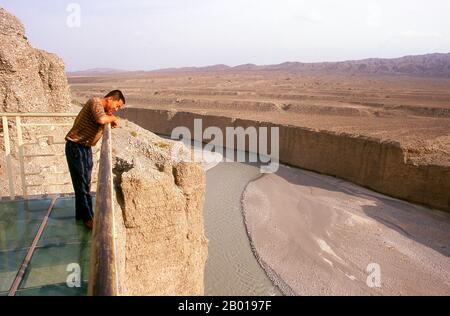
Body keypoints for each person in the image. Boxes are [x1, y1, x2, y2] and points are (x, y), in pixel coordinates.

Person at [65, 90, 125, 230]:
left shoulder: (101, 108)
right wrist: (113, 118)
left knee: (85, 184)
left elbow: (104, 118)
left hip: (84, 148)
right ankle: (88, 219)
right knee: (82, 184)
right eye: (117, 106)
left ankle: (82, 215)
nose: (116, 109)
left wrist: (110, 116)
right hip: (76, 147)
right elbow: (101, 120)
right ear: (110, 99)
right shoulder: (95, 102)